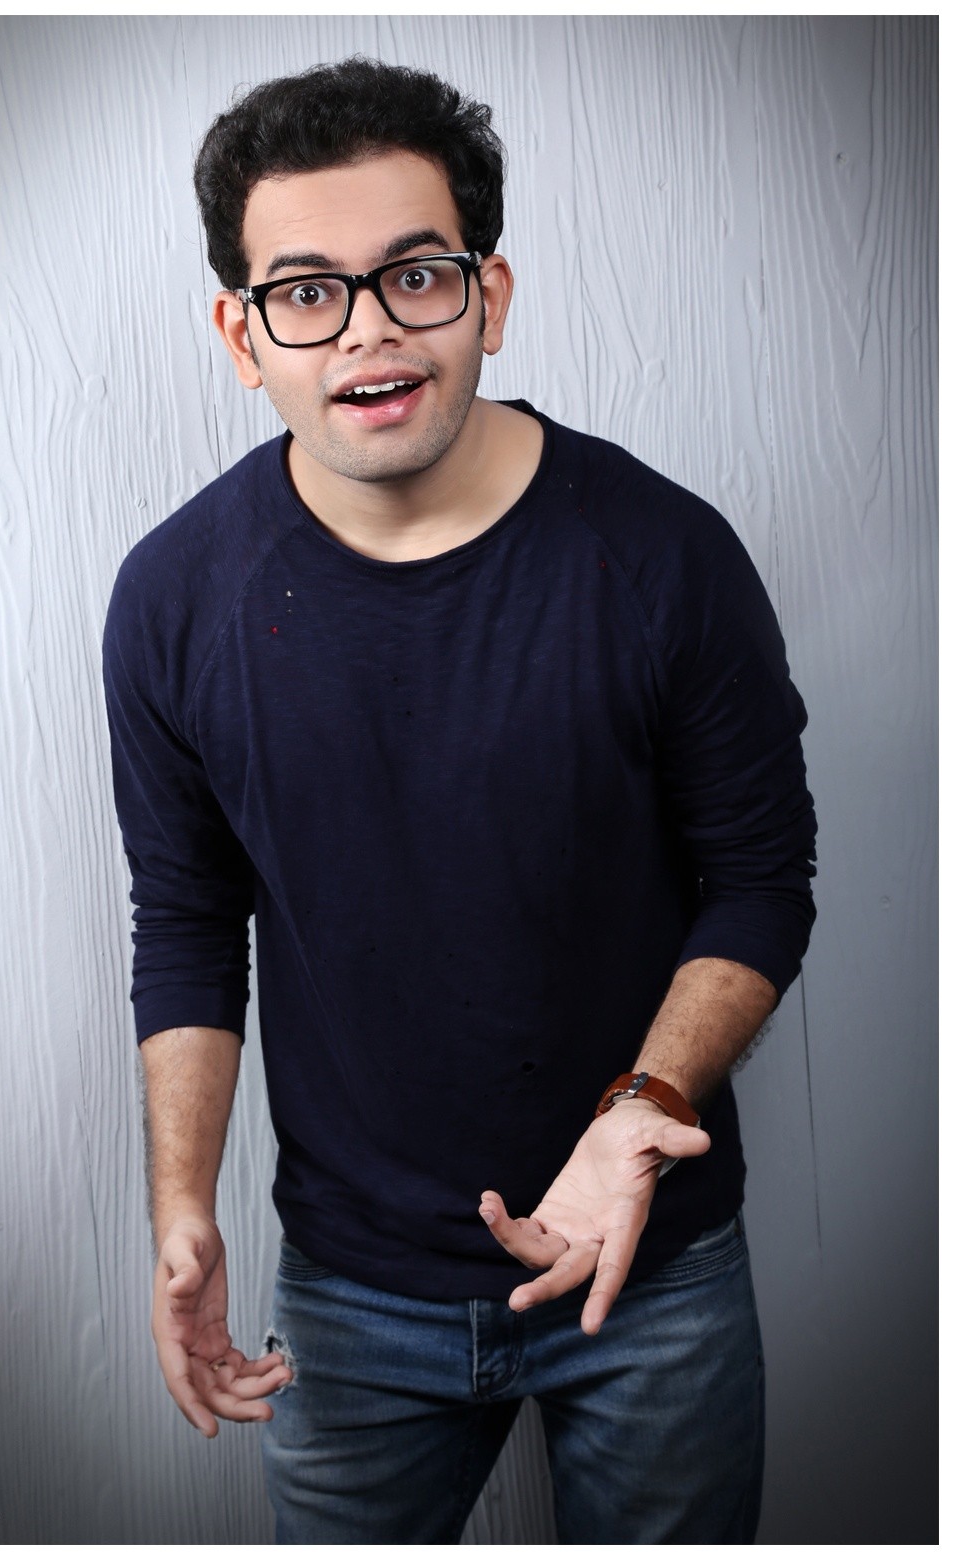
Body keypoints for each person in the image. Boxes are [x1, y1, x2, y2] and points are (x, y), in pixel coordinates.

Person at [103, 56, 816, 1544]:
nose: (367, 328)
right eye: (307, 291)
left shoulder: (664, 557)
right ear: (242, 335)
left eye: (413, 275)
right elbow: (187, 922)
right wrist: (182, 1209)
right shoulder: (174, 600)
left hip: (654, 1269)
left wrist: (640, 1117)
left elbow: (760, 878)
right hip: (350, 1296)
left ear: (488, 297)